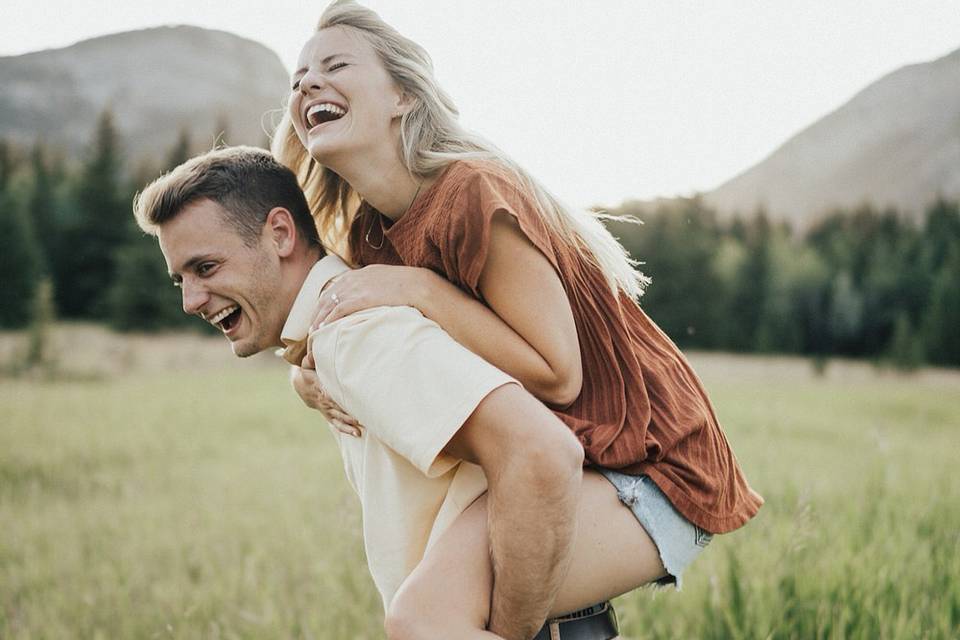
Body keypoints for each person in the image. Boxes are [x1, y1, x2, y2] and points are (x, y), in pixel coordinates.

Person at [274, 1, 764, 638]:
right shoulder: (372, 236)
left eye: (334, 65)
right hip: (562, 464)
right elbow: (354, 332)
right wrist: (307, 381)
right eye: (297, 77)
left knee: (427, 619)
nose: (308, 82)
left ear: (401, 95)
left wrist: (420, 288)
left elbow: (557, 375)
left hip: (653, 466)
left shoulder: (472, 192)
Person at [133, 146, 646, 640]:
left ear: (281, 234)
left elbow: (543, 452)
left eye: (206, 268)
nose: (190, 301)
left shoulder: (353, 335)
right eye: (179, 278)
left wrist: (508, 633)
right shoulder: (337, 334)